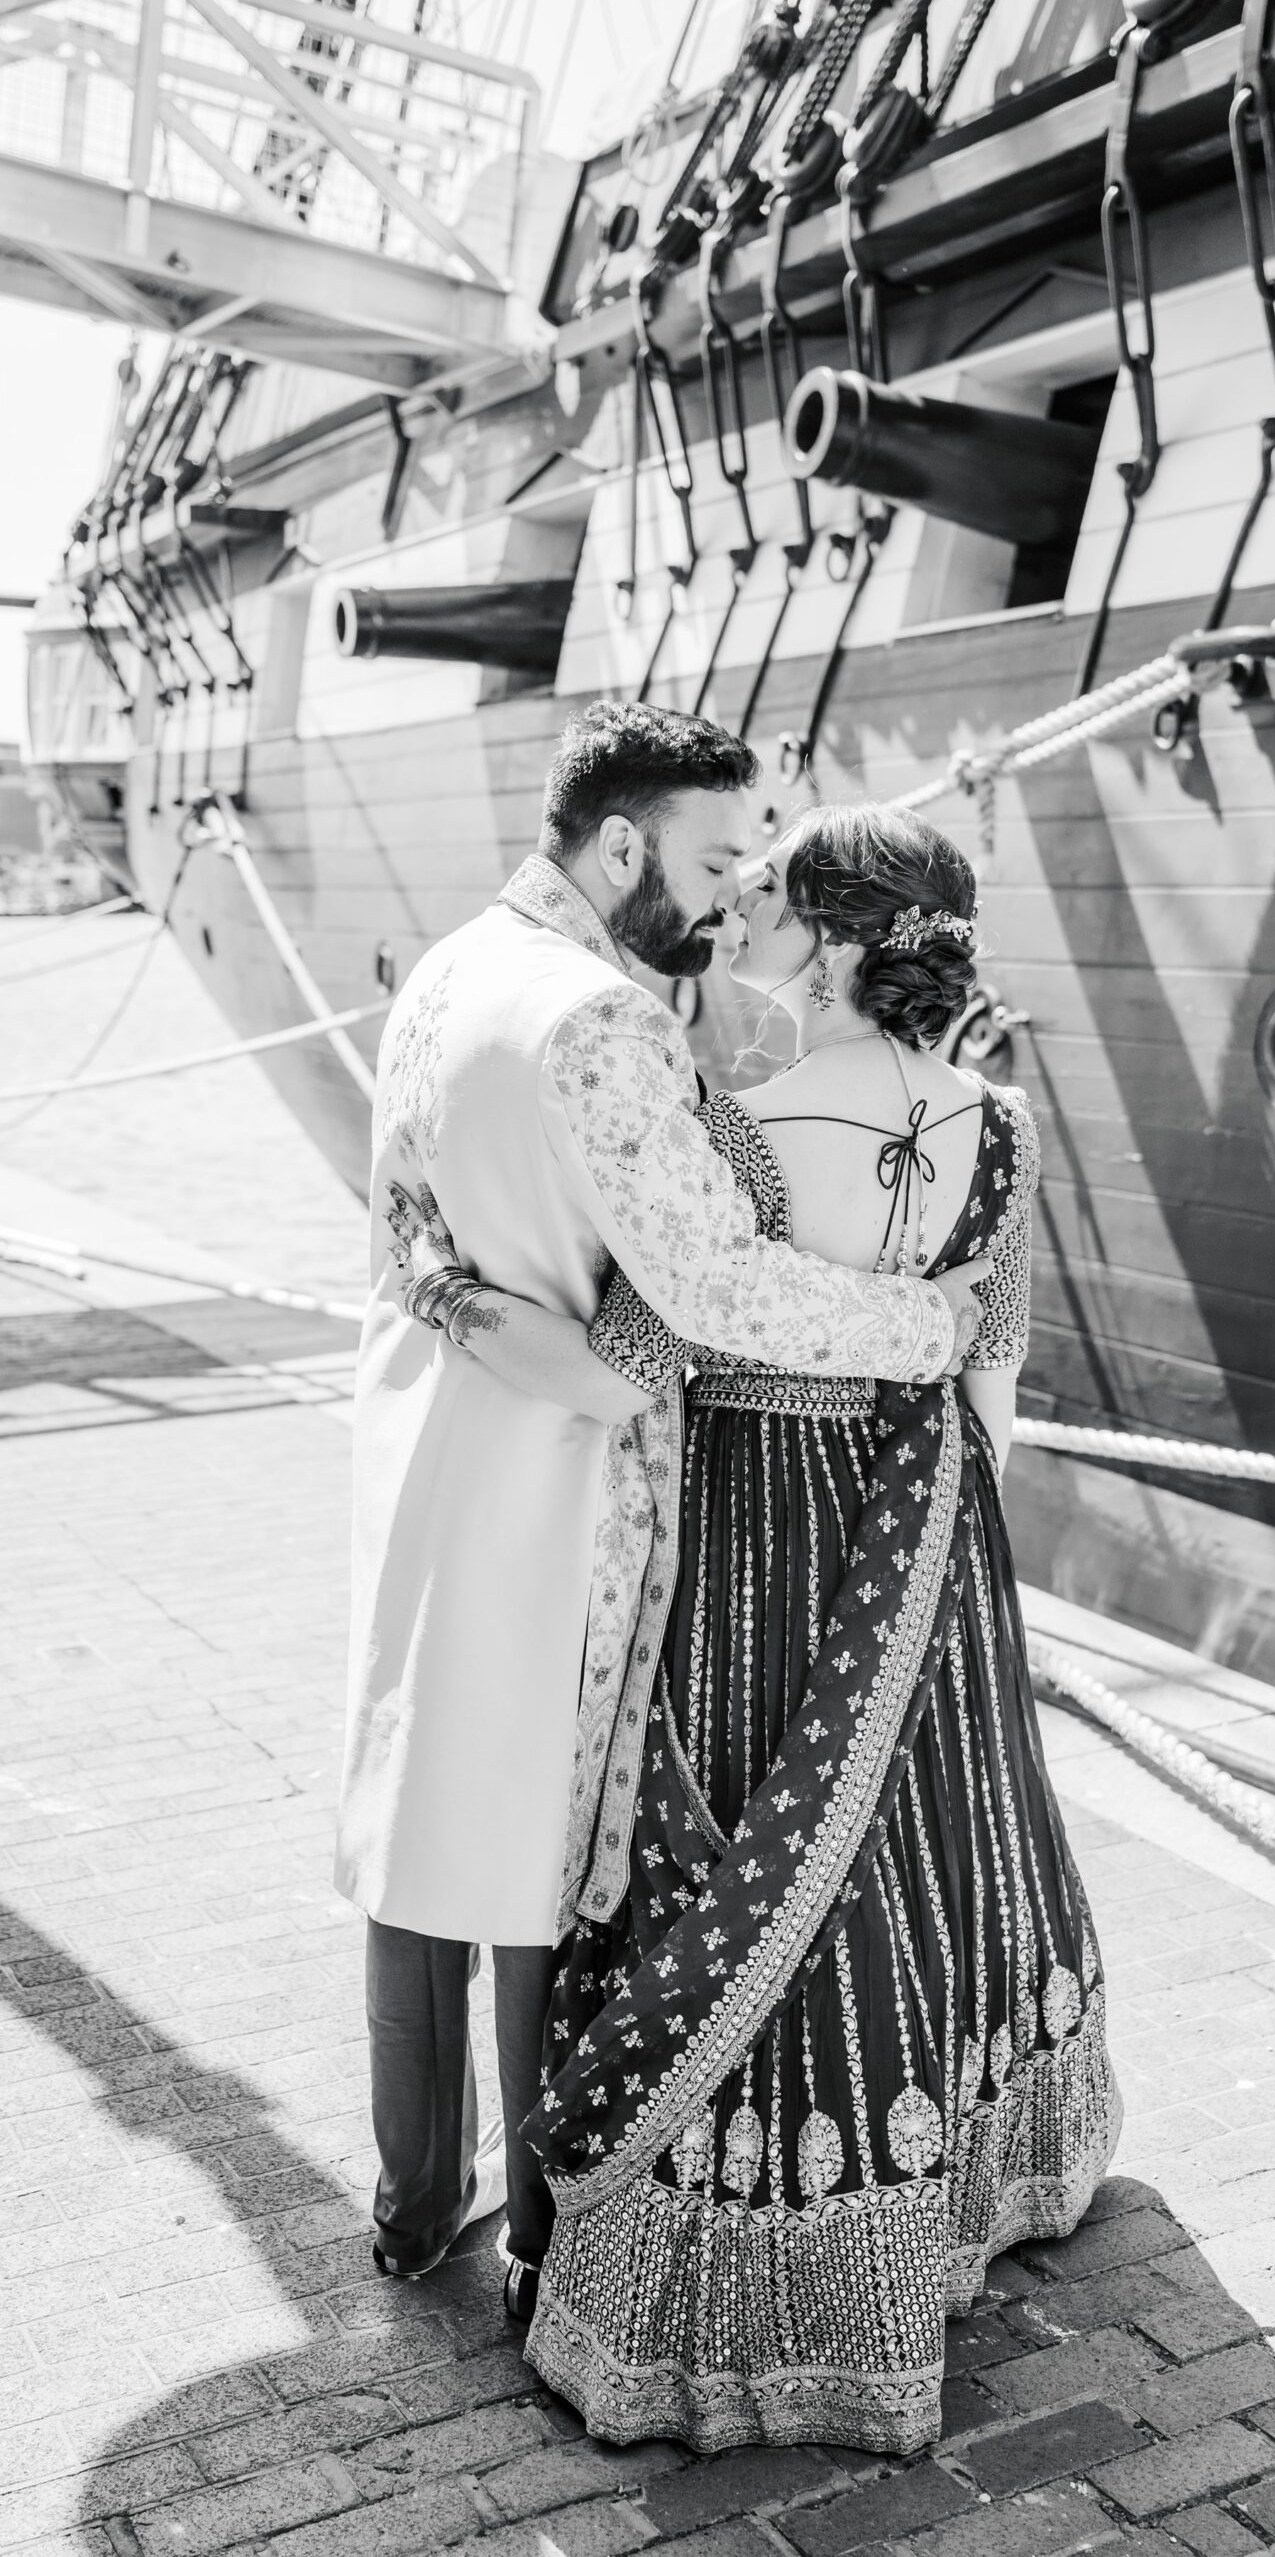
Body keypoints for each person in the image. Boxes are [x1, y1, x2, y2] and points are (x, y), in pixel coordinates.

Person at [386, 801, 1117, 2453]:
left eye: (778, 899)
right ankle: (964, 2176)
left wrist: (447, 1292)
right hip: (929, 1523)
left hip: (759, 1539)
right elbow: (993, 1378)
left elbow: (641, 1361)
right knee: (926, 1843)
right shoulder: (995, 1125)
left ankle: (756, 2266)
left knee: (752, 1862)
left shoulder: (744, 1127)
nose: (750, 919)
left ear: (844, 945)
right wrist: (922, 1507)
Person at [337, 708, 989, 2311]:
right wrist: (935, 1329)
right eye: (710, 861)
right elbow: (714, 1283)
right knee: (541, 1859)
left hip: (427, 1452)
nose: (726, 900)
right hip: (566, 1486)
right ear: (620, 846)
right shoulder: (601, 1024)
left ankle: (416, 2204)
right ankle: (553, 2235)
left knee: (425, 1832)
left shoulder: (447, 969)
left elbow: (407, 1228)